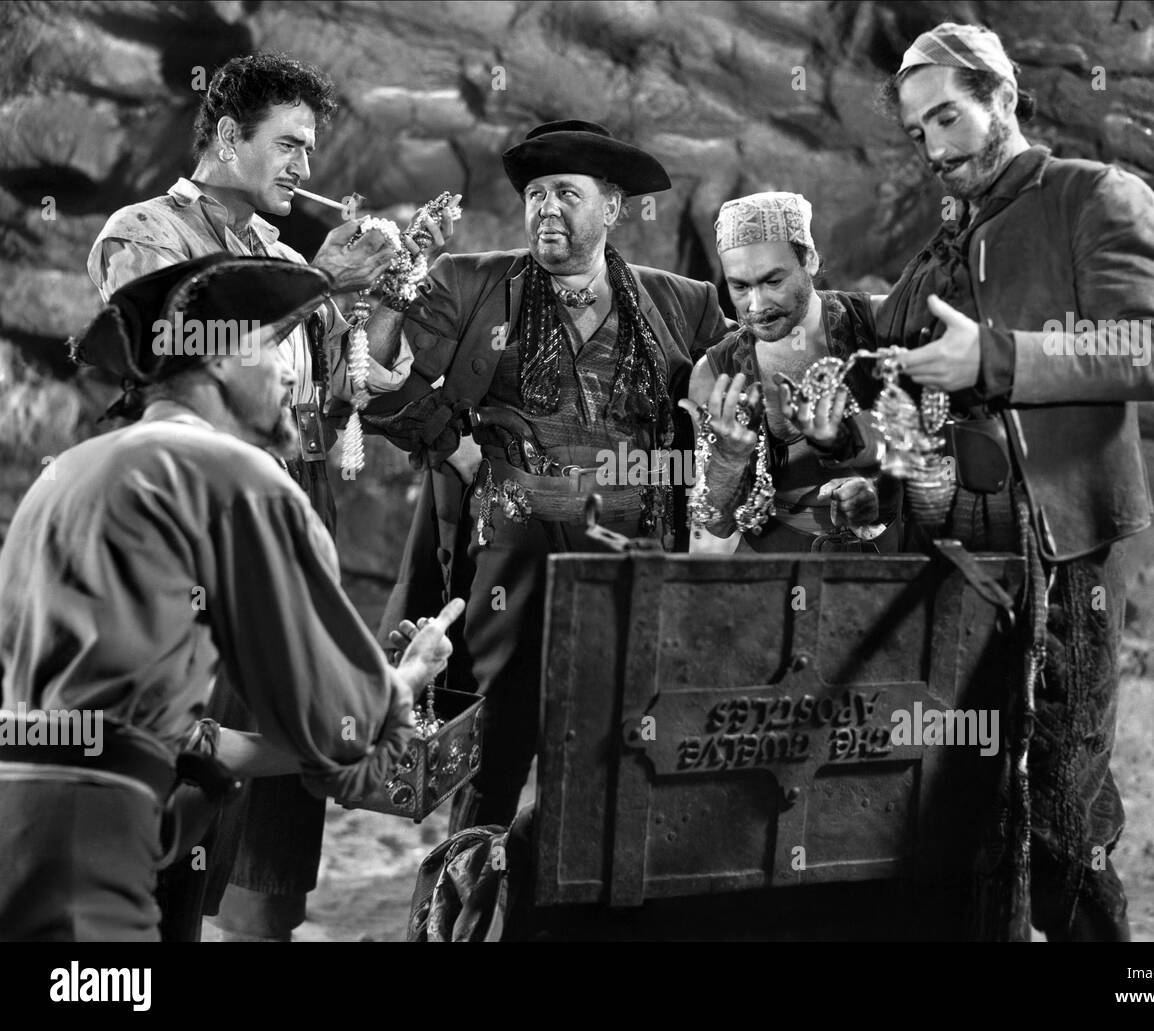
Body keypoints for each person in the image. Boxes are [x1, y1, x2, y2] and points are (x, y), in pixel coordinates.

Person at [86, 52, 456, 942]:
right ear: (224, 137)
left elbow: (338, 390)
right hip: (196, 534)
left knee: (277, 803)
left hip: (290, 525)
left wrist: (396, 283)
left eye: (311, 149)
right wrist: (322, 284)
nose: (303, 166)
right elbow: (179, 359)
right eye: (288, 144)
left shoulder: (283, 252)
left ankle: (260, 927)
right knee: (188, 777)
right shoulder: (143, 232)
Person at [0, 255, 465, 942]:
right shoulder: (239, 476)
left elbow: (178, 737)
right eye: (272, 349)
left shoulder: (66, 475)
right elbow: (342, 736)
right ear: (217, 362)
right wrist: (409, 677)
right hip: (116, 856)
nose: (288, 373)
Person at [873, 22, 1154, 939]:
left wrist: (995, 356)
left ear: (1004, 98)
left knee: (1059, 820)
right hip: (957, 562)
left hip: (1066, 556)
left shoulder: (1095, 197)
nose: (935, 149)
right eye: (917, 134)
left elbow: (1153, 350)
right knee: (963, 814)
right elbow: (885, 358)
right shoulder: (946, 239)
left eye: (948, 119)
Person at [363, 120, 731, 830]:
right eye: (535, 194)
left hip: (633, 553)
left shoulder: (684, 303)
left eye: (567, 191)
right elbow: (378, 380)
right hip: (512, 551)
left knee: (616, 748)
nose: (546, 208)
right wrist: (454, 443)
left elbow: (739, 398)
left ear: (613, 208)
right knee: (494, 752)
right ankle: (460, 911)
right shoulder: (471, 284)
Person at [682, 191, 899, 554]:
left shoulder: (879, 325)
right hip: (772, 560)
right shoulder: (716, 373)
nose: (757, 305)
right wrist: (727, 460)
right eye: (740, 286)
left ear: (810, 260)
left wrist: (879, 491)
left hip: (885, 553)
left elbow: (938, 440)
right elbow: (716, 524)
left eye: (772, 282)